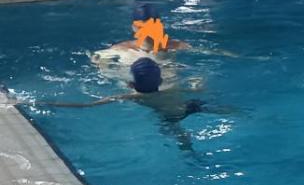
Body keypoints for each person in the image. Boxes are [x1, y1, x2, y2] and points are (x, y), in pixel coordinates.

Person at [49, 58, 207, 123]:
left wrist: (49, 103)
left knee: (180, 136)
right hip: (190, 106)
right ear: (160, 81)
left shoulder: (131, 97)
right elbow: (196, 90)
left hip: (170, 117)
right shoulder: (172, 89)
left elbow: (87, 105)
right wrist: (197, 84)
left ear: (131, 84)